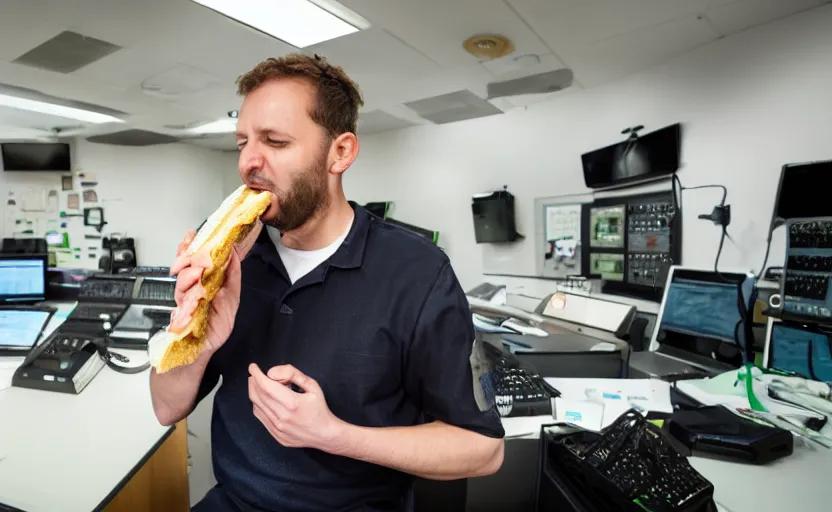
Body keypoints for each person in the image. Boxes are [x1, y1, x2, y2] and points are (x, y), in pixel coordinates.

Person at [150, 53, 505, 512]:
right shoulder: (228, 252)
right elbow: (165, 408)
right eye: (243, 142)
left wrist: (333, 435)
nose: (249, 162)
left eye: (275, 142)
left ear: (341, 152)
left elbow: (483, 450)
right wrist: (196, 335)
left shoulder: (417, 271)